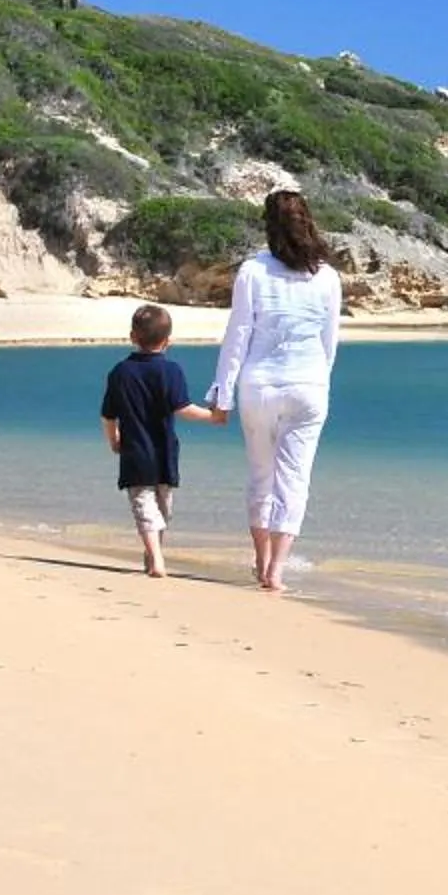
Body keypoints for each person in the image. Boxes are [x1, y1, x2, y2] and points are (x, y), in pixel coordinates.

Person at [207, 188, 344, 592]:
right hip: (309, 384)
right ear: (309, 222)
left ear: (269, 225)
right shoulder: (328, 277)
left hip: (259, 384)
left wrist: (222, 393)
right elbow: (329, 341)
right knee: (294, 479)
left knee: (261, 475)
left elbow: (238, 336)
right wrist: (320, 379)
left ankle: (261, 560)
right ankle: (277, 571)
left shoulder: (252, 271)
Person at [99, 302, 224, 578]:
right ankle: (156, 557)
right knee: (161, 508)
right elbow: (183, 408)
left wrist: (113, 439)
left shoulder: (120, 372)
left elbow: (108, 415)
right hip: (165, 451)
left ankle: (153, 557)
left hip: (135, 452)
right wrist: (213, 416)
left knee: (146, 506)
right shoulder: (171, 371)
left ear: (132, 337)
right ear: (168, 341)